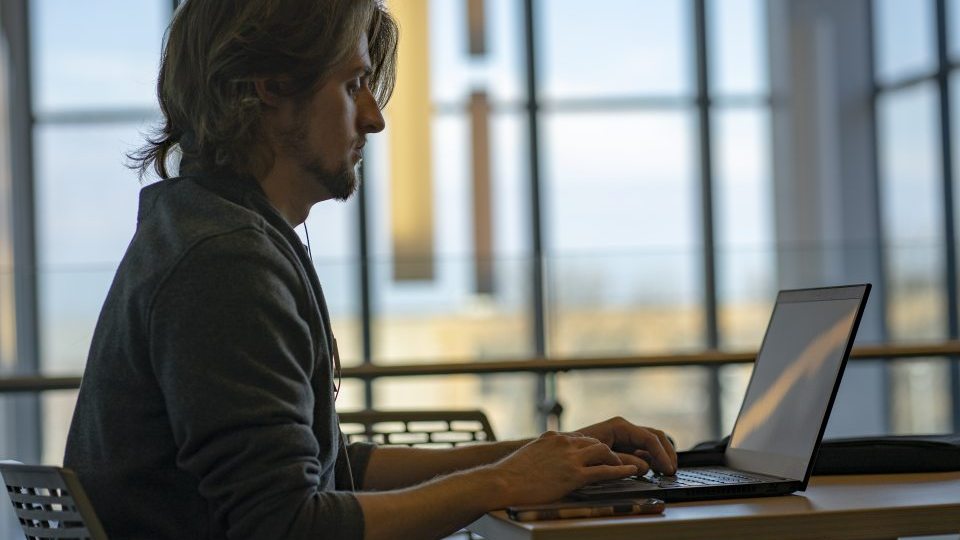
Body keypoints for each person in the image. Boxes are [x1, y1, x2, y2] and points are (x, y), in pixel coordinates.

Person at [64, 1, 678, 538]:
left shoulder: (208, 228)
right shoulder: (225, 259)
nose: (374, 117)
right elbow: (286, 526)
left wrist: (549, 457)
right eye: (353, 83)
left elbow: (333, 470)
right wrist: (501, 483)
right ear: (272, 84)